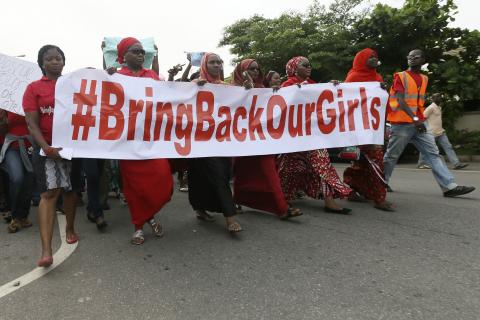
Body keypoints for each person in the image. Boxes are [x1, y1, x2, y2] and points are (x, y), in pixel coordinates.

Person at [384, 49, 475, 197]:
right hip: (402, 123)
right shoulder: (400, 76)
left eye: (416, 56)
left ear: (423, 60)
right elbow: (401, 101)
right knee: (392, 155)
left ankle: (449, 187)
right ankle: (382, 183)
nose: (412, 58)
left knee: (433, 154)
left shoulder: (424, 78)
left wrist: (418, 120)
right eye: (410, 56)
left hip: (419, 122)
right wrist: (414, 120)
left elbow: (418, 102)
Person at [108, 37, 173, 244]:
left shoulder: (151, 76)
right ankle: (139, 226)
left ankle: (149, 215)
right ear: (123, 56)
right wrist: (106, 77)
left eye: (142, 52)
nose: (140, 55)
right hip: (127, 143)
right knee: (135, 188)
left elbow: (168, 98)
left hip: (151, 141)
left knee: (165, 183)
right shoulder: (116, 77)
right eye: (135, 51)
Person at [23, 45, 81, 267]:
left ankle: (70, 227)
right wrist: (46, 147)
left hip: (74, 148)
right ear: (42, 63)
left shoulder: (75, 85)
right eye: (50, 59)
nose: (55, 62)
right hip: (46, 147)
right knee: (49, 193)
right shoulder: (33, 88)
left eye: (59, 58)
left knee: (70, 190)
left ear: (64, 62)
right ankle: (46, 250)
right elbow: (31, 123)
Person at [278, 56, 352, 214]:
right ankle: (283, 198)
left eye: (309, 65)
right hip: (294, 136)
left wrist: (332, 88)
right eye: (305, 65)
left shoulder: (314, 86)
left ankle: (329, 201)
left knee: (323, 163)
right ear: (294, 68)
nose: (309, 67)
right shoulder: (287, 86)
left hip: (313, 135)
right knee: (290, 169)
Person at [232, 60, 302, 220]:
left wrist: (276, 93)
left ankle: (282, 208)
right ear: (242, 70)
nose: (256, 71)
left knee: (269, 169)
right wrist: (245, 91)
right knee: (243, 172)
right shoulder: (231, 89)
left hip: (261, 139)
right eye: (251, 68)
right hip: (241, 139)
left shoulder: (264, 90)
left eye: (258, 68)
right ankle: (238, 198)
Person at [188, 52, 242, 233]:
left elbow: (243, 103)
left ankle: (200, 209)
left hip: (222, 141)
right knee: (211, 176)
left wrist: (248, 90)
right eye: (213, 62)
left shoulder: (227, 87)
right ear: (204, 65)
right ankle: (230, 218)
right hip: (200, 141)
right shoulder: (196, 85)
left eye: (219, 62)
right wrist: (194, 88)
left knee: (220, 174)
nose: (217, 65)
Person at [342, 48, 394, 211]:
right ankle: (373, 195)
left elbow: (380, 104)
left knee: (373, 160)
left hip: (374, 127)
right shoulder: (353, 77)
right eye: (370, 57)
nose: (374, 59)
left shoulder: (377, 77)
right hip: (358, 127)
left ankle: (376, 195)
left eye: (375, 57)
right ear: (361, 60)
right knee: (362, 161)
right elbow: (346, 102)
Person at [0, 110, 35, 232]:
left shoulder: (32, 101)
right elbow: (2, 132)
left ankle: (23, 216)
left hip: (30, 146)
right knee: (17, 178)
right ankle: (15, 217)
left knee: (29, 182)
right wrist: (2, 121)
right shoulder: (6, 103)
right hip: (12, 147)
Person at [417, 93, 468, 170]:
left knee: (448, 147)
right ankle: (421, 163)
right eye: (437, 97)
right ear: (433, 99)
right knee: (426, 147)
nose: (439, 98)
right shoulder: (430, 108)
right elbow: (422, 117)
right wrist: (424, 128)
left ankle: (456, 164)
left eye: (440, 96)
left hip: (440, 132)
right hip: (431, 133)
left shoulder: (439, 107)